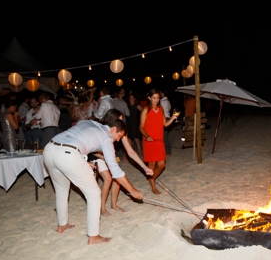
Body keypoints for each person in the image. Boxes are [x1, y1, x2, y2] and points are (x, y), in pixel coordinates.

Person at [44, 116, 144, 244]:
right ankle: (93, 236)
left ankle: (62, 225)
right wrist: (132, 190)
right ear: (113, 129)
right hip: (68, 155)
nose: (118, 140)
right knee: (94, 194)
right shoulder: (107, 137)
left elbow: (81, 138)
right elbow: (115, 170)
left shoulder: (89, 122)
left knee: (61, 190)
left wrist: (83, 161)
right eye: (119, 136)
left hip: (50, 149)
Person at [97, 108, 152, 215]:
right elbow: (92, 149)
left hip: (110, 154)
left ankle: (113, 204)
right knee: (108, 178)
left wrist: (144, 167)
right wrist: (105, 158)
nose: (122, 123)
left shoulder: (121, 130)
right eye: (120, 120)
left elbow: (130, 151)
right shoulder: (102, 130)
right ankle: (102, 207)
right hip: (98, 155)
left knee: (118, 178)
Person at [140, 88, 180, 194]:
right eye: (154, 98)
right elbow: (141, 127)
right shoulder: (146, 109)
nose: (156, 100)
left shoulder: (161, 108)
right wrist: (147, 136)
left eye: (158, 98)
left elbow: (165, 124)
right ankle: (153, 186)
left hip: (159, 140)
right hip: (149, 141)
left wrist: (173, 117)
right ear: (149, 98)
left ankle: (151, 179)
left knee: (162, 165)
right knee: (152, 165)